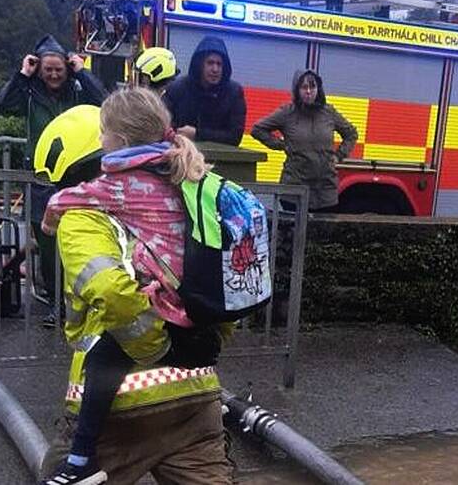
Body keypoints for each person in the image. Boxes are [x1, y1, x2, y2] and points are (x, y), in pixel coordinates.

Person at [34, 102, 231, 485]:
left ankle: (77, 463)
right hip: (197, 396)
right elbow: (222, 275)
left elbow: (110, 291)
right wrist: (207, 337)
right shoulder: (184, 198)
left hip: (118, 408)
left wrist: (157, 347)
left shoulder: (82, 215)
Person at [0, 34, 107, 325]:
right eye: (48, 69)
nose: (55, 74)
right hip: (42, 177)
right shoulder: (29, 92)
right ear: (39, 69)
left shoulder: (78, 89)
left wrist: (83, 70)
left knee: (82, 241)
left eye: (59, 69)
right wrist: (22, 74)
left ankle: (84, 302)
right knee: (47, 247)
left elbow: (106, 102)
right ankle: (57, 305)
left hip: (77, 174)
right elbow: (3, 104)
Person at [251, 69, 358, 212]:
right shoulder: (287, 113)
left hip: (325, 191)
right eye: (304, 87)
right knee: (293, 233)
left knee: (321, 233)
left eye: (312, 87)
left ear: (318, 89)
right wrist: (281, 145)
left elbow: (351, 133)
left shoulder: (328, 112)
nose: (308, 91)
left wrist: (338, 156)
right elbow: (257, 129)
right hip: (294, 191)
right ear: (297, 89)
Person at [163, 36, 246, 146]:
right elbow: (161, 125)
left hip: (221, 159)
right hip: (180, 155)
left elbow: (234, 137)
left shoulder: (234, 93)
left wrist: (198, 134)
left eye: (219, 64)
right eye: (210, 63)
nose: (215, 69)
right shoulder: (177, 89)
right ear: (199, 64)